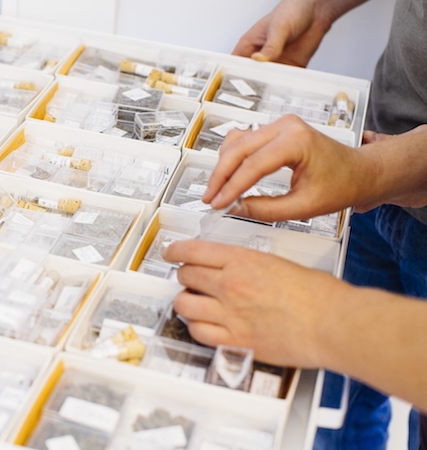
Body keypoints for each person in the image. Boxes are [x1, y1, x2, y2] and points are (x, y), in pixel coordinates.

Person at [168, 0, 427, 449]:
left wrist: (322, 318)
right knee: (335, 412)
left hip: (377, 169)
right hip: (373, 153)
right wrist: (317, 8)